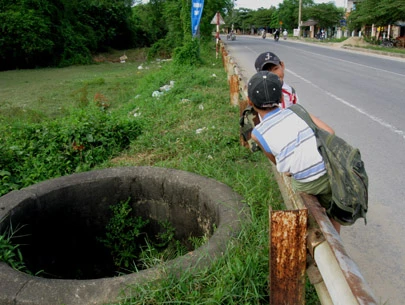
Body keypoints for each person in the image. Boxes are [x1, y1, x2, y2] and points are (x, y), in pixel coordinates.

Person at [247, 71, 341, 233]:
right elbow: (330, 133)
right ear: (282, 99)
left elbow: (276, 160)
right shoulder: (297, 111)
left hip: (307, 183)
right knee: (332, 211)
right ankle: (336, 246)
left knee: (307, 209)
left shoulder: (257, 133)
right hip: (329, 172)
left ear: (250, 101)